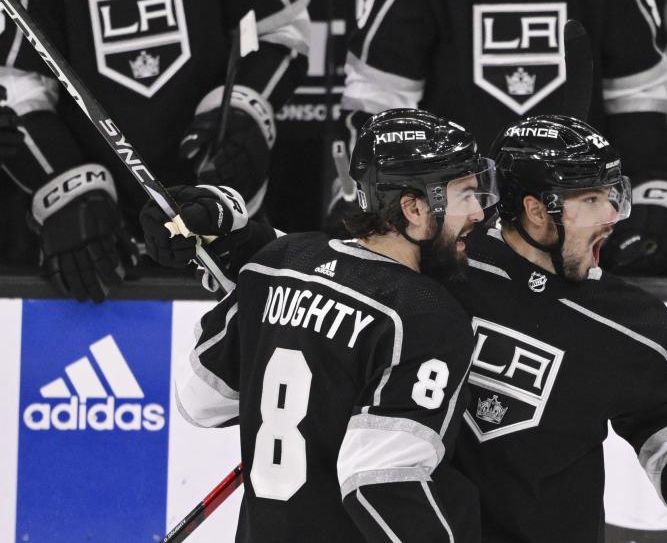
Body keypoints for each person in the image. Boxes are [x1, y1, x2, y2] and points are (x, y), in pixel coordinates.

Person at [143, 114, 667, 542]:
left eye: (614, 195)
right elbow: (348, 266)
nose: (616, 216)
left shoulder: (633, 326)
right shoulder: (446, 264)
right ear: (538, 210)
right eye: (595, 199)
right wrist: (231, 230)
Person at [150, 109, 499, 542]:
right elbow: (382, 480)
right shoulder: (427, 314)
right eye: (465, 195)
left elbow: (200, 400)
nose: (480, 213)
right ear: (413, 207)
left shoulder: (279, 262)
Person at [338, 0, 667, 274]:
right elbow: (378, 103)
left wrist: (650, 195)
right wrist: (378, 199)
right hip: (455, 230)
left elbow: (640, 95)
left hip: (575, 227)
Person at [0, 0, 309, 301]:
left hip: (220, 209)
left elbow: (281, 31)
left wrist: (245, 112)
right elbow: (16, 89)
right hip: (97, 240)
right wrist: (64, 188)